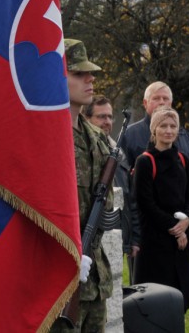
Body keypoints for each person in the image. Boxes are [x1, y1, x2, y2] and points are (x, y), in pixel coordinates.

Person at [52, 38, 110, 333]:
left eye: (90, 73)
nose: (90, 80)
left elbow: (106, 206)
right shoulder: (47, 137)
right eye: (78, 74)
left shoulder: (96, 137)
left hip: (94, 278)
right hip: (57, 280)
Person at [118, 81, 189, 245]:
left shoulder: (186, 137)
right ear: (145, 103)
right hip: (146, 229)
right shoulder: (130, 136)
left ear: (171, 103)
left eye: (165, 99)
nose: (161, 102)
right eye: (156, 98)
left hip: (183, 226)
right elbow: (124, 186)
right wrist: (132, 232)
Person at [131, 106, 189, 311]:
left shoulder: (184, 160)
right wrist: (176, 229)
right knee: (155, 302)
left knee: (179, 300)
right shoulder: (145, 161)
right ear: (154, 130)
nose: (168, 130)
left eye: (173, 126)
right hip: (156, 241)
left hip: (181, 242)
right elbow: (146, 204)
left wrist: (187, 221)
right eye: (163, 126)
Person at [83, 95, 140, 283]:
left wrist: (133, 238)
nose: (107, 121)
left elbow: (129, 197)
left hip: (116, 235)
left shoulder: (119, 153)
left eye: (109, 116)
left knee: (113, 287)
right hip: (90, 236)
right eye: (101, 116)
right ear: (87, 118)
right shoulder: (83, 152)